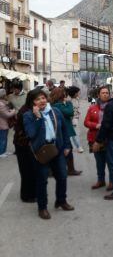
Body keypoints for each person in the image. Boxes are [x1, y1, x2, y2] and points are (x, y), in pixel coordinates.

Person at [23, 89, 74, 220]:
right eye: (38, 99)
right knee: (42, 180)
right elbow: (31, 134)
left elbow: (64, 129)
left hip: (57, 149)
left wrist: (67, 145)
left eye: (43, 98)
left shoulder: (55, 111)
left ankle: (61, 201)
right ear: (33, 102)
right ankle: (42, 208)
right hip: (42, 152)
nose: (42, 101)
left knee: (62, 176)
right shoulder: (28, 116)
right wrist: (38, 118)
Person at [84, 86, 113, 190]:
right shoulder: (92, 108)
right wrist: (96, 125)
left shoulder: (112, 107)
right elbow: (86, 122)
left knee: (110, 161)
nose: (105, 94)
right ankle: (100, 180)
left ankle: (112, 181)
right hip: (95, 138)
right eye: (103, 93)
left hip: (109, 139)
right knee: (99, 161)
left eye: (107, 93)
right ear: (98, 95)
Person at [50, 88, 82, 176]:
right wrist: (68, 103)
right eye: (64, 93)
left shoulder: (57, 104)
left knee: (67, 149)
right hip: (61, 130)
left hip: (61, 129)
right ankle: (66, 170)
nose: (65, 94)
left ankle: (70, 169)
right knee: (62, 149)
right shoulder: (57, 105)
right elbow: (70, 112)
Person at [14, 93, 37, 202]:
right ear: (32, 100)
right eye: (37, 99)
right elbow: (30, 132)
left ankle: (31, 193)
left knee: (30, 170)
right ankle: (27, 196)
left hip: (25, 144)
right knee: (26, 170)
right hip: (22, 144)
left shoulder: (29, 108)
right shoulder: (26, 111)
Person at [66, 86, 84, 153]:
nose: (78, 94)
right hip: (71, 118)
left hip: (76, 118)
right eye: (77, 92)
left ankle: (73, 146)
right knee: (75, 133)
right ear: (74, 93)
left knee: (74, 133)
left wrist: (78, 112)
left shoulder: (77, 98)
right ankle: (78, 146)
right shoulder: (68, 100)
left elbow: (77, 108)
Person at [0, 88, 15, 158]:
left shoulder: (3, 103)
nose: (7, 96)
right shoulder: (1, 104)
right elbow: (7, 115)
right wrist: (14, 111)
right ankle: (1, 152)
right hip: (2, 124)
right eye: (5, 95)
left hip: (3, 123)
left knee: (4, 137)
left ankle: (4, 151)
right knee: (3, 138)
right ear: (3, 96)